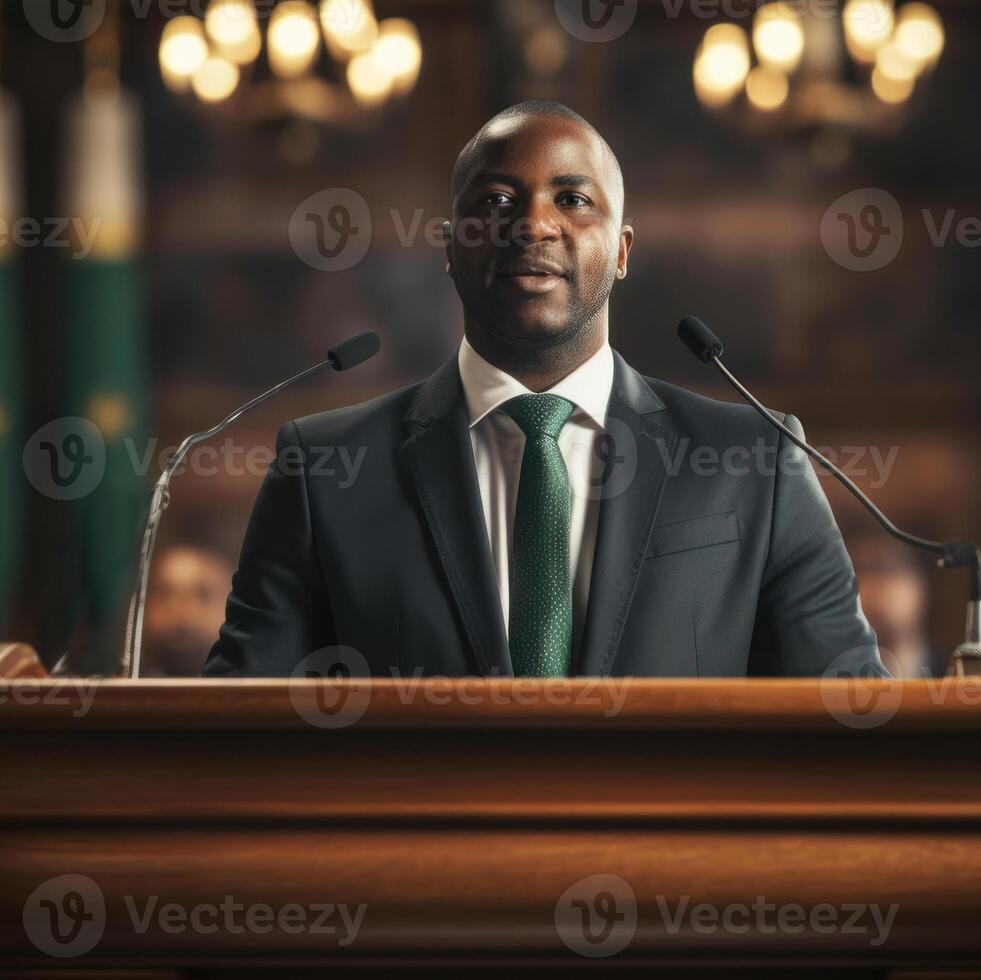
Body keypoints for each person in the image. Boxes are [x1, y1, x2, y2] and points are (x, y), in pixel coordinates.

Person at [207, 101, 880, 679]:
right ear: (449, 246)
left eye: (572, 199)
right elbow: (236, 729)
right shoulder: (324, 469)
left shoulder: (755, 459)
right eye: (496, 201)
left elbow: (846, 713)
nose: (532, 224)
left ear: (620, 249)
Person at [844, 528, 935, 678]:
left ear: (920, 585)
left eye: (885, 568)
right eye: (858, 570)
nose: (872, 586)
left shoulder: (961, 677)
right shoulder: (820, 681)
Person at [141, 541, 234, 678]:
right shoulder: (117, 695)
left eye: (203, 594)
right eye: (165, 593)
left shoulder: (256, 694)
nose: (181, 608)